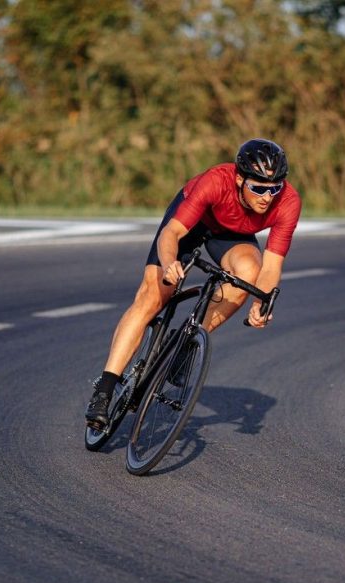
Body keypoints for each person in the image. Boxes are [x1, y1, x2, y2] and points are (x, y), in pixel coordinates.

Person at [85, 138, 302, 430]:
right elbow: (171, 233)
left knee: (250, 272)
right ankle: (105, 388)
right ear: (239, 179)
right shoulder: (215, 182)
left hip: (230, 235)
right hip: (191, 224)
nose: (267, 197)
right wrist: (170, 262)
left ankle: (187, 342)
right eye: (259, 188)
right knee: (152, 297)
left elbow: (272, 264)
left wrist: (260, 302)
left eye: (274, 188)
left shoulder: (288, 201)